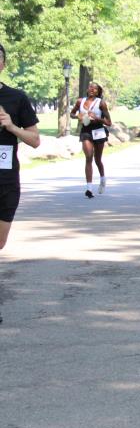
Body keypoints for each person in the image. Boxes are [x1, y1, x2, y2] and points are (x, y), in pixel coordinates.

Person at [0, 42, 42, 324]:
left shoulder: (16, 98)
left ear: (3, 64)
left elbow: (35, 140)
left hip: (5, 180)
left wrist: (11, 126)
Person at [70, 82, 112, 198]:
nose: (92, 89)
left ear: (98, 92)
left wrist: (97, 118)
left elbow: (109, 122)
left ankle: (102, 179)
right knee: (88, 157)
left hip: (98, 131)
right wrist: (77, 116)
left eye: (95, 88)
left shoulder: (101, 103)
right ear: (87, 89)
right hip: (86, 131)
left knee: (97, 159)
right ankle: (89, 188)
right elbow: (72, 114)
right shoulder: (80, 101)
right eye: (90, 87)